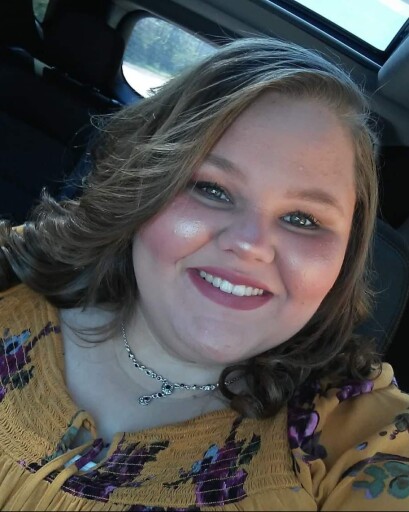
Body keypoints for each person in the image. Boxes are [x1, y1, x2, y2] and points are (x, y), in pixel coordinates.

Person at [0, 36, 409, 512]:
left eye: (303, 219)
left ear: (346, 254)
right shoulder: (14, 271)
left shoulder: (364, 433)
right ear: (142, 184)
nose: (251, 244)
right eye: (212, 189)